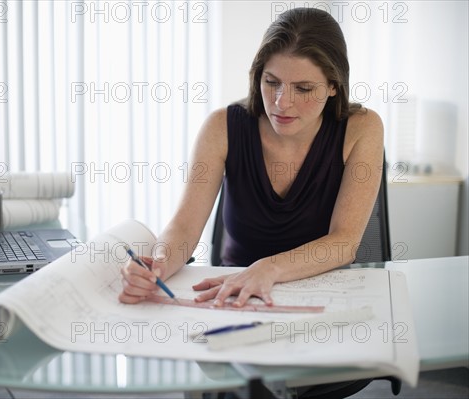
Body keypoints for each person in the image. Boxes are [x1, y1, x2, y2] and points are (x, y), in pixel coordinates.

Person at [119, 7, 384, 309]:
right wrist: (157, 265)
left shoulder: (362, 128)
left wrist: (268, 268)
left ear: (334, 86)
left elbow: (345, 242)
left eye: (304, 88)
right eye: (272, 82)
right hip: (232, 295)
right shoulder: (222, 127)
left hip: (322, 296)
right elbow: (184, 227)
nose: (282, 103)